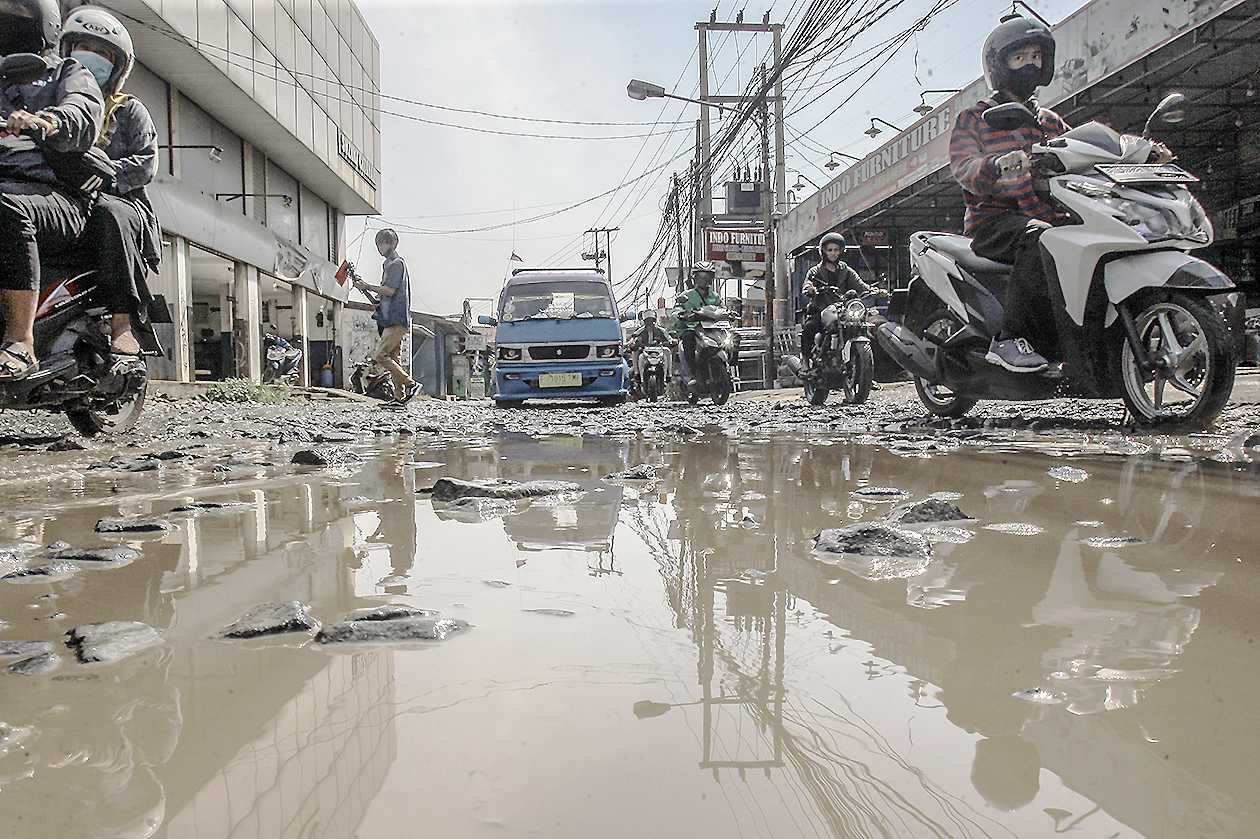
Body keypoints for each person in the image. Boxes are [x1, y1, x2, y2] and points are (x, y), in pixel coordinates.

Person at [951, 14, 1169, 373]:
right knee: (1040, 237)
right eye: (1020, 57)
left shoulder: (1050, 122)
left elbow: (1089, 154)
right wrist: (998, 165)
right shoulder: (976, 118)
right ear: (999, 64)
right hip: (995, 222)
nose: (1030, 65)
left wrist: (1142, 151)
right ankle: (1008, 339)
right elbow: (964, 169)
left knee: (1094, 238)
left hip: (1054, 216)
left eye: (1036, 57)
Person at [0, 0, 104, 380]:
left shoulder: (67, 72)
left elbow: (82, 112)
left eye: (18, 12)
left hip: (59, 196)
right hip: (8, 191)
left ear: (44, 21)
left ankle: (19, 342)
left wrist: (46, 121)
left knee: (5, 209)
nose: (8, 19)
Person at [61, 5, 159, 357]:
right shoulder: (50, 101)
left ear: (117, 66)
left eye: (103, 53)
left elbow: (146, 164)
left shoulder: (128, 109)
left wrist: (100, 173)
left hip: (120, 202)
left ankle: (122, 323)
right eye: (85, 47)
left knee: (109, 212)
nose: (92, 58)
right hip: (63, 200)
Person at [353, 228, 419, 404]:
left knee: (380, 355)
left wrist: (367, 285)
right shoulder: (388, 264)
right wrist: (368, 290)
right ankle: (399, 397)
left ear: (393, 244)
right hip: (389, 317)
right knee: (394, 357)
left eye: (383, 243)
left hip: (396, 319)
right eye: (378, 244)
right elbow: (383, 295)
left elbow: (389, 291)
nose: (380, 247)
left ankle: (410, 383)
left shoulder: (396, 264)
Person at [799, 231, 879, 369]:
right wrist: (810, 289)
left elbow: (860, 285)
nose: (833, 253)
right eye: (830, 250)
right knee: (809, 328)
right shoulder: (815, 271)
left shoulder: (845, 270)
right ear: (823, 251)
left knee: (865, 331)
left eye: (836, 250)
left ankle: (865, 372)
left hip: (842, 309)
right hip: (821, 309)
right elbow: (807, 283)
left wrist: (875, 290)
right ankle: (805, 361)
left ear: (841, 251)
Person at [673, 261, 723, 387]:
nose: (704, 280)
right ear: (695, 277)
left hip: (712, 329)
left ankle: (732, 368)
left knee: (734, 338)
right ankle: (692, 373)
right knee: (688, 339)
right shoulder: (686, 296)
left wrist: (730, 313)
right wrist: (681, 314)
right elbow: (676, 309)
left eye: (708, 276)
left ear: (712, 278)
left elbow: (722, 308)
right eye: (701, 276)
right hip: (692, 328)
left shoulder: (715, 297)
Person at [629, 309, 671, 385]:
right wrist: (632, 343)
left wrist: (672, 341)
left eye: (651, 321)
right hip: (644, 351)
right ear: (644, 322)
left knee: (667, 351)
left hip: (658, 350)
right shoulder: (639, 331)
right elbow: (633, 339)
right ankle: (638, 374)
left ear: (654, 320)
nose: (650, 323)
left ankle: (668, 375)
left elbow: (669, 338)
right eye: (648, 321)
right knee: (637, 354)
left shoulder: (661, 330)